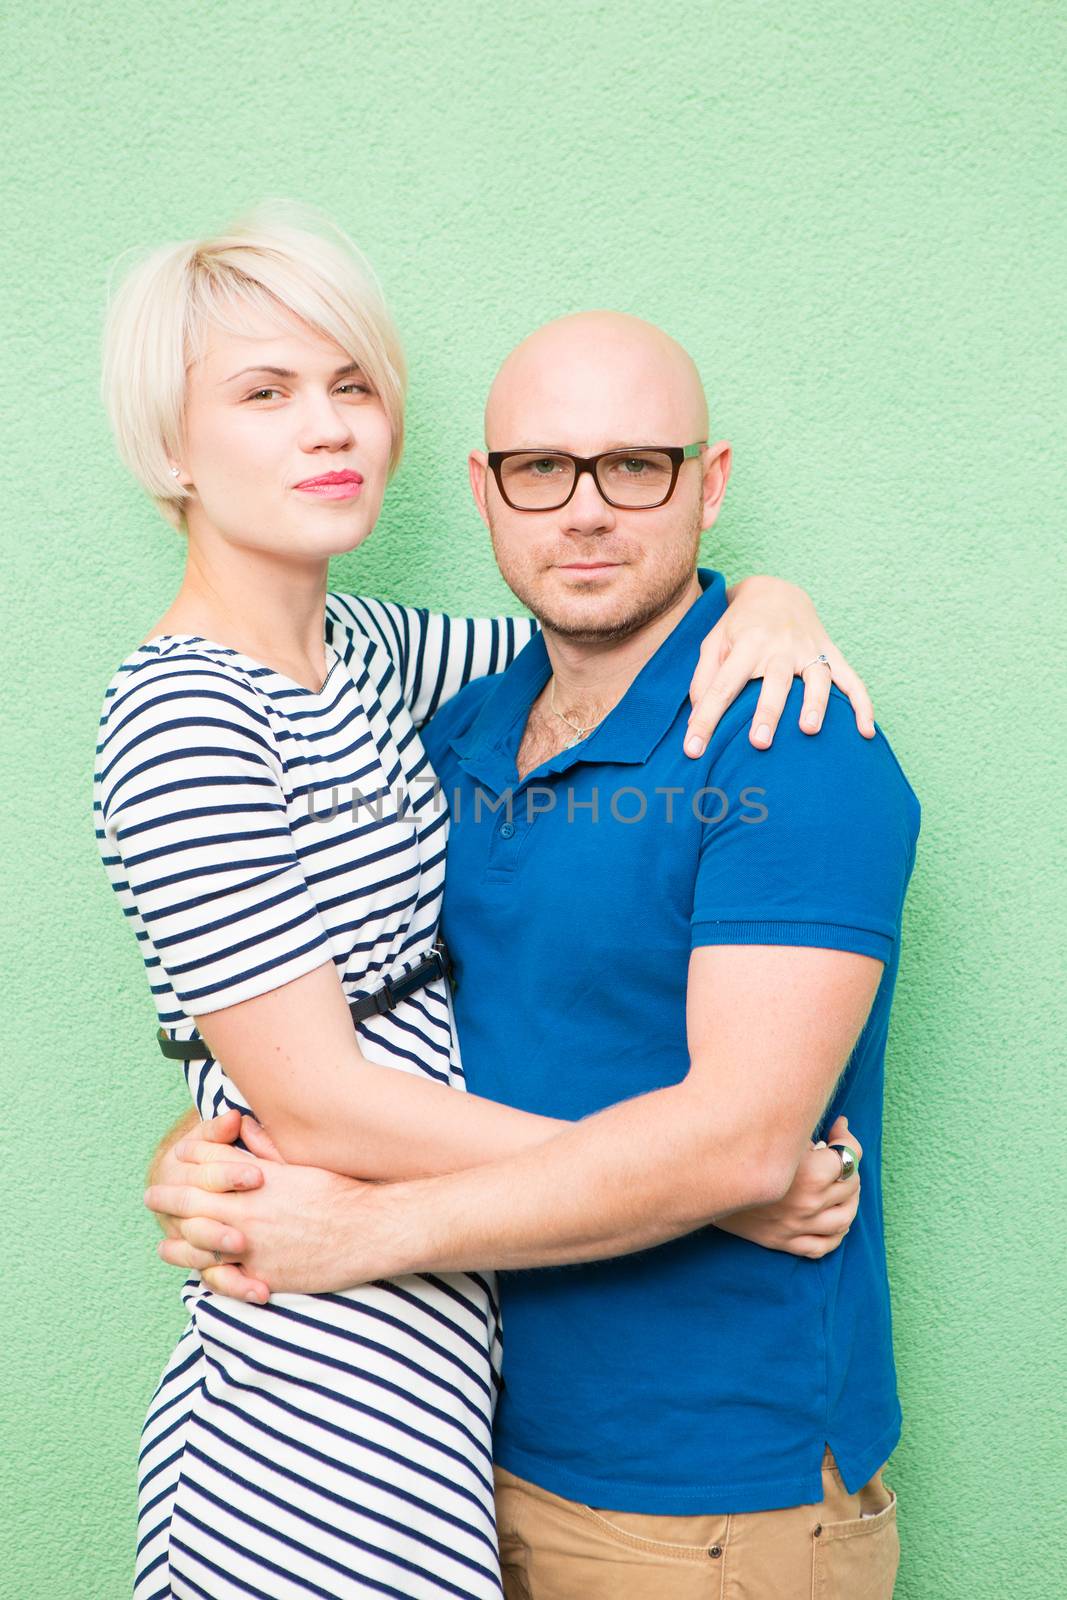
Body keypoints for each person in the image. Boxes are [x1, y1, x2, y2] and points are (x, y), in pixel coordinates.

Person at [94, 208, 878, 1600]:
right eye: (263, 394)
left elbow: (616, 627)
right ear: (169, 448)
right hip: (328, 1360)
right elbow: (318, 1095)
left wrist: (768, 593)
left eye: (351, 386)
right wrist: (704, 1185)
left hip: (478, 1376)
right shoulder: (182, 719)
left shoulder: (392, 664)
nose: (324, 428)